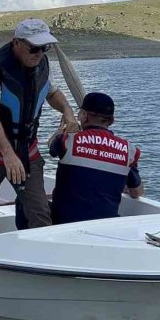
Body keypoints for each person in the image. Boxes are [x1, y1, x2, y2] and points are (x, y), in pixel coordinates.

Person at [0, 18, 78, 235]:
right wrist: (8, 155)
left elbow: (51, 92)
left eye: (45, 47)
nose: (39, 53)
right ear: (16, 43)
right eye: (34, 47)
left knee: (40, 212)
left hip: (26, 150)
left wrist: (67, 110)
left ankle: (41, 259)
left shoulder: (42, 63)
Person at [48, 92, 144, 224]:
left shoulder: (67, 142)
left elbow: (51, 147)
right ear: (112, 120)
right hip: (104, 227)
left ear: (84, 116)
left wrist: (62, 129)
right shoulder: (128, 151)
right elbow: (137, 192)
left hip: (65, 224)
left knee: (25, 202)